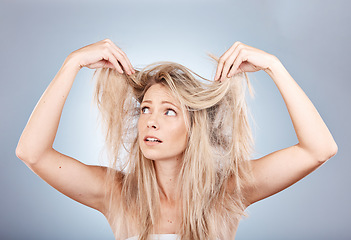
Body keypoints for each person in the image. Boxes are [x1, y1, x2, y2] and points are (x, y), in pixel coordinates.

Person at [16, 39, 338, 240]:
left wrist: (273, 65)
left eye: (169, 112)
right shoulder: (116, 193)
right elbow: (32, 153)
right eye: (145, 109)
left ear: (193, 128)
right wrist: (71, 63)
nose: (150, 121)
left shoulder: (227, 193)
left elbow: (319, 148)